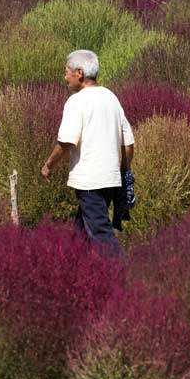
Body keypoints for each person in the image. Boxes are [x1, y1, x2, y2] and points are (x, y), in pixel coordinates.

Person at [41, 50, 134, 254]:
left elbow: (66, 142)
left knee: (101, 237)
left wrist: (48, 165)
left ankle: (119, 279)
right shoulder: (111, 98)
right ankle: (77, 275)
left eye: (67, 72)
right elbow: (128, 143)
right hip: (110, 180)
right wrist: (124, 172)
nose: (65, 77)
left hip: (90, 182)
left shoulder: (76, 102)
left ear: (80, 73)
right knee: (80, 235)